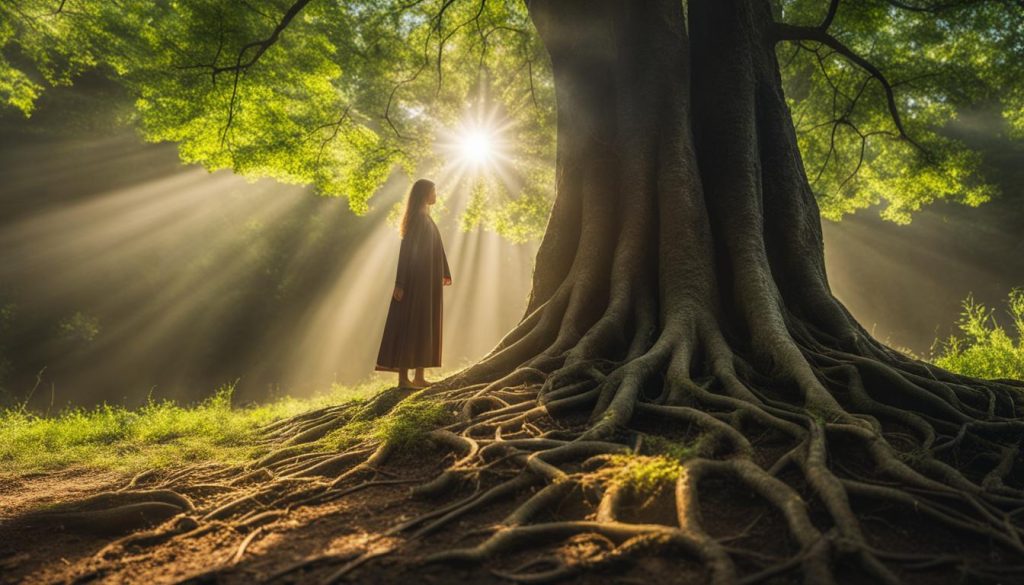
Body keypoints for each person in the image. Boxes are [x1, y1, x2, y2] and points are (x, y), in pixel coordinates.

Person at [375, 179, 452, 388]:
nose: (436, 194)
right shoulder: (417, 220)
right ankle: (403, 379)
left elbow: (438, 247)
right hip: (416, 282)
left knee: (425, 325)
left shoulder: (427, 217)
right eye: (433, 191)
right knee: (411, 325)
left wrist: (444, 271)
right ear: (424, 194)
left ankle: (419, 376)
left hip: (429, 282)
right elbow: (407, 251)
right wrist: (400, 282)